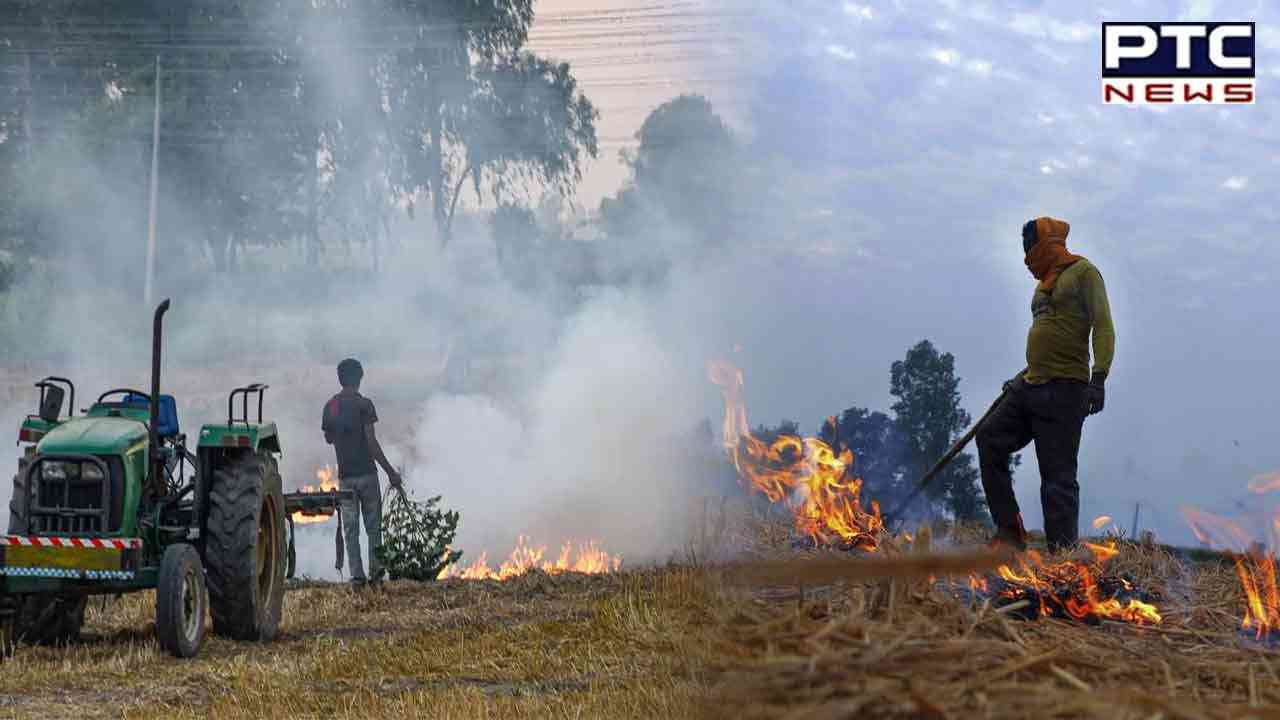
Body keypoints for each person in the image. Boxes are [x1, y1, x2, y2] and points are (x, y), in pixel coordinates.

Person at [976, 217, 1115, 553]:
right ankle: (1010, 531)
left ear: (1048, 245)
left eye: (1030, 249)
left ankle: (1063, 560)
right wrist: (1019, 379)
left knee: (1057, 478)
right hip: (1031, 383)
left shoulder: (1084, 273)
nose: (1026, 259)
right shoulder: (1044, 285)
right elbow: (1048, 338)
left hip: (1065, 389)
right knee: (989, 437)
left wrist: (1099, 378)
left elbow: (1104, 326)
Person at [322, 358, 404, 588]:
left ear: (340, 379)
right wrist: (390, 472)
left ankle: (357, 579)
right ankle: (376, 578)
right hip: (367, 475)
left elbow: (328, 438)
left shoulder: (331, 406)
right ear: (359, 379)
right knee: (373, 528)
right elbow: (371, 442)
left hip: (346, 477)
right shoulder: (365, 405)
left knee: (350, 530)